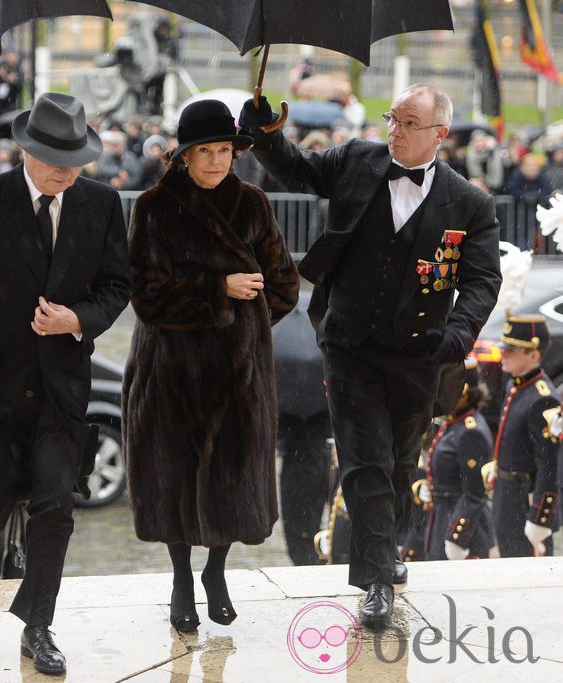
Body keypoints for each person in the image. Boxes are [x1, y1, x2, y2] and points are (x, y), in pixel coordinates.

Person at [240, 83, 501, 629]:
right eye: (393, 118)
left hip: (419, 353)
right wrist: (267, 134)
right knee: (364, 462)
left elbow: (481, 280)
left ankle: (388, 552)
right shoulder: (360, 160)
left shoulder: (469, 204)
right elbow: (300, 170)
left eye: (409, 123)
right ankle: (375, 579)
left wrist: (456, 336)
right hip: (349, 344)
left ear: (440, 135)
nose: (396, 130)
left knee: (402, 462)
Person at [0, 92, 130, 675]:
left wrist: (79, 320)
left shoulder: (102, 204)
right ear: (26, 150)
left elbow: (117, 286)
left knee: (56, 505)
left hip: (60, 389)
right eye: (54, 155)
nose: (66, 167)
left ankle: (38, 625)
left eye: (76, 156)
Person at [122, 98, 299, 633]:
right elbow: (147, 298)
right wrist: (218, 291)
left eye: (226, 150)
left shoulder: (253, 204)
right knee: (172, 476)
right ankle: (180, 578)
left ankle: (216, 572)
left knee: (231, 476)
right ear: (183, 155)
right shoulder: (153, 208)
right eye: (207, 152)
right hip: (168, 371)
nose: (219, 161)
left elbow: (284, 285)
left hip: (236, 374)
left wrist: (246, 323)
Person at [489, 315, 559, 557]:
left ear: (534, 355)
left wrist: (540, 517)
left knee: (527, 577)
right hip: (507, 495)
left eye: (512, 350)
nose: (504, 354)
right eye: (504, 348)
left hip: (523, 501)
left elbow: (550, 465)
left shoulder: (543, 398)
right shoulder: (516, 385)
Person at [422, 357, 493, 560]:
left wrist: (457, 537)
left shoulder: (471, 432)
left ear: (462, 393)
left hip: (460, 527)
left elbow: (474, 493)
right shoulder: (454, 423)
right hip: (441, 518)